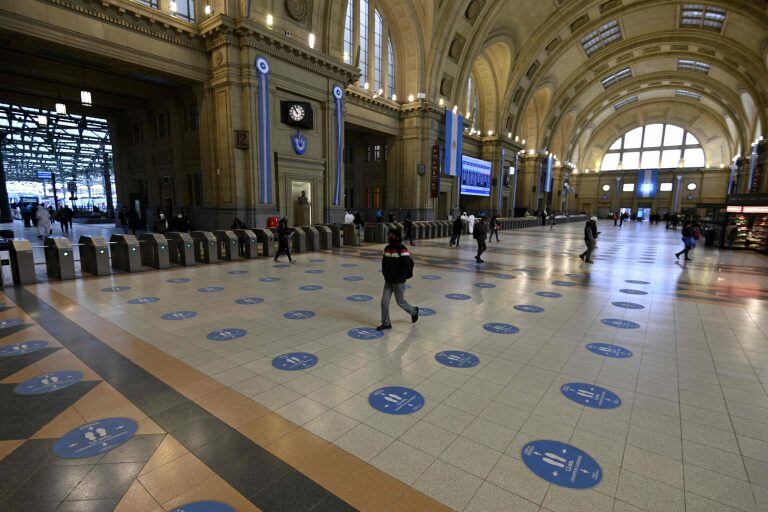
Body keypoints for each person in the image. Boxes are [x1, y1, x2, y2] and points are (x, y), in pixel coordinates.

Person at [377, 228, 418, 331]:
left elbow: (406, 265)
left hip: (398, 281)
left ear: (397, 236)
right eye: (389, 235)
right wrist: (385, 273)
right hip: (388, 281)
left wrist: (399, 276)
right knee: (384, 302)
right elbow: (384, 263)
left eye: (392, 235)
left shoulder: (402, 249)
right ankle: (386, 323)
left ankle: (414, 311)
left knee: (400, 302)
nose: (390, 237)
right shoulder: (387, 248)